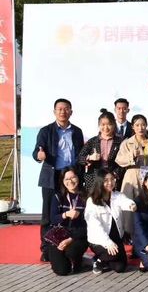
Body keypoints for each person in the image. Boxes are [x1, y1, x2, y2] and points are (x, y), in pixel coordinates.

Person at [33, 98, 85, 260]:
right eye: (60, 109)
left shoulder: (77, 131)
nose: (63, 111)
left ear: (71, 112)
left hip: (70, 177)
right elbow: (37, 151)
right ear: (54, 111)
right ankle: (46, 248)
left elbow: (80, 154)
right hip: (52, 176)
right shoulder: (46, 131)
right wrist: (39, 155)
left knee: (71, 210)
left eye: (66, 108)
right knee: (48, 214)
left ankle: (70, 242)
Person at [115, 114, 148, 239]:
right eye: (137, 125)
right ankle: (128, 234)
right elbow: (119, 159)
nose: (140, 128)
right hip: (132, 174)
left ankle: (145, 235)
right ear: (133, 127)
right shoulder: (127, 142)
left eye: (143, 125)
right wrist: (131, 157)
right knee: (130, 205)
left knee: (146, 205)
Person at [85, 169, 136, 274]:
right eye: (106, 180)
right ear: (100, 182)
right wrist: (108, 243)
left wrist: (131, 205)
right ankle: (98, 261)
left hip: (116, 238)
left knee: (120, 267)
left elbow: (125, 201)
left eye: (112, 179)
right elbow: (95, 225)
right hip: (99, 240)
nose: (110, 182)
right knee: (113, 254)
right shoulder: (92, 201)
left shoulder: (117, 195)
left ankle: (104, 259)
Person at [46, 167, 88, 275]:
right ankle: (65, 260)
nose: (70, 181)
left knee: (71, 251)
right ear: (62, 181)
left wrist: (70, 239)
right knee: (61, 270)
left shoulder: (87, 197)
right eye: (67, 179)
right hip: (60, 235)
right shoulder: (58, 196)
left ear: (78, 178)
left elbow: (90, 224)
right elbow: (53, 219)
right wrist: (65, 214)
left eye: (73, 177)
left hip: (78, 235)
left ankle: (78, 260)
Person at [78, 109, 123, 194]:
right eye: (103, 124)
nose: (106, 128)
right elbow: (80, 158)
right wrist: (90, 157)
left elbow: (124, 161)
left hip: (112, 180)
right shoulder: (92, 141)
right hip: (94, 178)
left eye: (109, 124)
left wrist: (115, 174)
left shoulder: (120, 142)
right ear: (99, 125)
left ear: (114, 125)